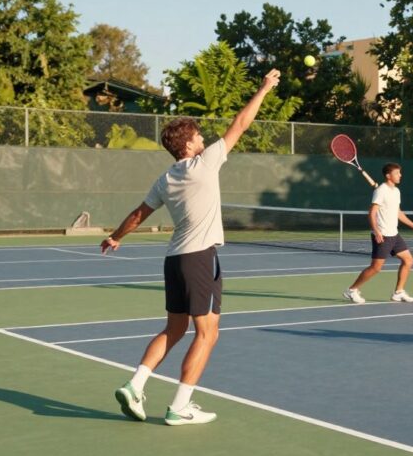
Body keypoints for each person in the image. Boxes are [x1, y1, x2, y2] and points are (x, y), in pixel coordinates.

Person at [102, 69, 281, 424]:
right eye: (198, 136)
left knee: (174, 329)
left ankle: (135, 385)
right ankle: (179, 406)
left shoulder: (164, 179)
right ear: (187, 145)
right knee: (207, 333)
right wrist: (264, 89)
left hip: (174, 260)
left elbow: (138, 214)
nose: (203, 139)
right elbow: (241, 124)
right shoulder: (205, 163)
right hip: (200, 258)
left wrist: (116, 237)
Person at [343, 163, 413, 304]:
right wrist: (376, 231)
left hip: (394, 234)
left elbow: (398, 212)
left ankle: (398, 292)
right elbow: (372, 212)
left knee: (408, 260)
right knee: (376, 268)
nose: (400, 175)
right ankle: (352, 290)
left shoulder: (396, 191)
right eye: (397, 173)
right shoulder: (381, 191)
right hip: (383, 235)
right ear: (388, 175)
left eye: (400, 173)